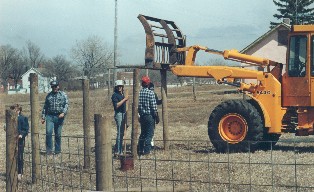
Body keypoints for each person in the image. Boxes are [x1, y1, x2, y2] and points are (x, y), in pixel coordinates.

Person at [41, 80, 69, 155]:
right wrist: (43, 117)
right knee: (48, 133)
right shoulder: (48, 95)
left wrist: (63, 113)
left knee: (58, 134)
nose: (54, 88)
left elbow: (66, 105)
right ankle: (49, 151)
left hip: (59, 116)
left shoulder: (63, 95)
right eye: (53, 87)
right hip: (50, 116)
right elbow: (45, 107)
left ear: (58, 86)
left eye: (55, 86)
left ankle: (57, 151)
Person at [137, 76, 158, 156]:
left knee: (143, 133)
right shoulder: (151, 93)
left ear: (142, 84)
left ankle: (140, 149)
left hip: (142, 116)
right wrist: (156, 116)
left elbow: (139, 105)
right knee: (149, 134)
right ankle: (147, 151)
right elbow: (153, 106)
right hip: (150, 116)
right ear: (148, 84)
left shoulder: (140, 93)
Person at [10, 104, 29, 181]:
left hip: (20, 140)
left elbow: (26, 129)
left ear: (19, 111)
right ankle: (12, 171)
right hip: (11, 140)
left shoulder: (23, 118)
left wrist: (21, 134)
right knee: (12, 155)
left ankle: (20, 172)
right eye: (13, 110)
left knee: (19, 156)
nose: (14, 111)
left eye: (16, 110)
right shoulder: (10, 118)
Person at [111, 80, 129, 156]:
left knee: (122, 133)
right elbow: (117, 105)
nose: (119, 88)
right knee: (119, 133)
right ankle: (118, 151)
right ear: (116, 87)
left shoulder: (122, 95)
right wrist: (125, 99)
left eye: (121, 86)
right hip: (119, 114)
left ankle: (119, 149)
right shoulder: (114, 95)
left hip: (123, 114)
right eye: (118, 86)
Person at [148, 82, 161, 148]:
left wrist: (162, 100)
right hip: (150, 114)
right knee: (150, 130)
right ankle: (150, 145)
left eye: (153, 89)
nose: (152, 91)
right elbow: (153, 106)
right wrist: (157, 116)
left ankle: (150, 144)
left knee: (151, 130)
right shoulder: (147, 95)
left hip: (152, 114)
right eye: (151, 89)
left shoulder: (154, 94)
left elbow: (157, 102)